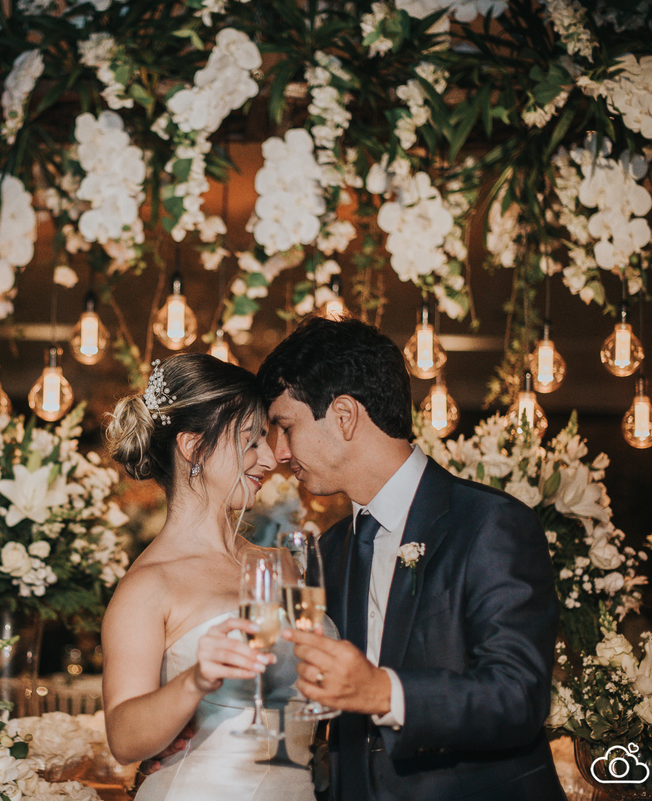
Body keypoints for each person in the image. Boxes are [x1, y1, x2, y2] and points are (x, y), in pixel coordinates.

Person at [257, 316, 565, 801]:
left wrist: (382, 692)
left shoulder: (490, 524)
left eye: (285, 426)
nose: (277, 452)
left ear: (343, 415)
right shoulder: (328, 551)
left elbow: (519, 696)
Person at [101, 353, 314, 801]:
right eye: (251, 440)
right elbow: (123, 738)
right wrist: (196, 680)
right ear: (193, 447)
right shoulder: (148, 585)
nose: (270, 458)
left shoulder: (281, 563)